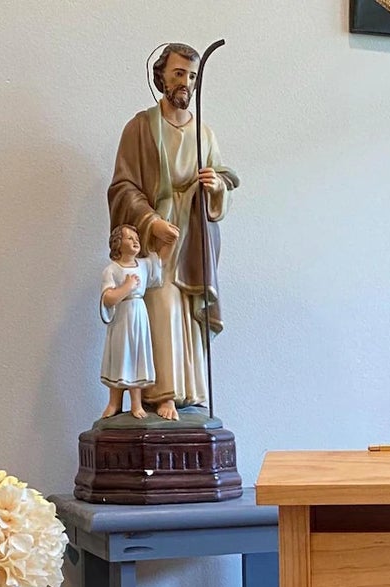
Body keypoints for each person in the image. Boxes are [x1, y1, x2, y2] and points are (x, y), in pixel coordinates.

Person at [109, 43, 239, 420]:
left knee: (188, 313)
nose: (186, 82)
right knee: (162, 307)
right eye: (179, 73)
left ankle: (189, 395)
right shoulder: (139, 127)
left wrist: (215, 187)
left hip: (192, 238)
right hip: (157, 239)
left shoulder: (205, 133)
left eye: (193, 76)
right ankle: (161, 394)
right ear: (162, 75)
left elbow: (222, 184)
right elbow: (122, 187)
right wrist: (151, 222)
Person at [100, 225, 164, 420]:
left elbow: (163, 261)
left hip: (138, 315)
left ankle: (136, 403)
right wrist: (127, 287)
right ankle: (114, 402)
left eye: (137, 237)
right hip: (122, 318)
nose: (136, 241)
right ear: (118, 244)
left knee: (137, 356)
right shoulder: (112, 270)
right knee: (120, 356)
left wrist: (171, 237)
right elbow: (108, 298)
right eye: (130, 238)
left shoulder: (143, 265)